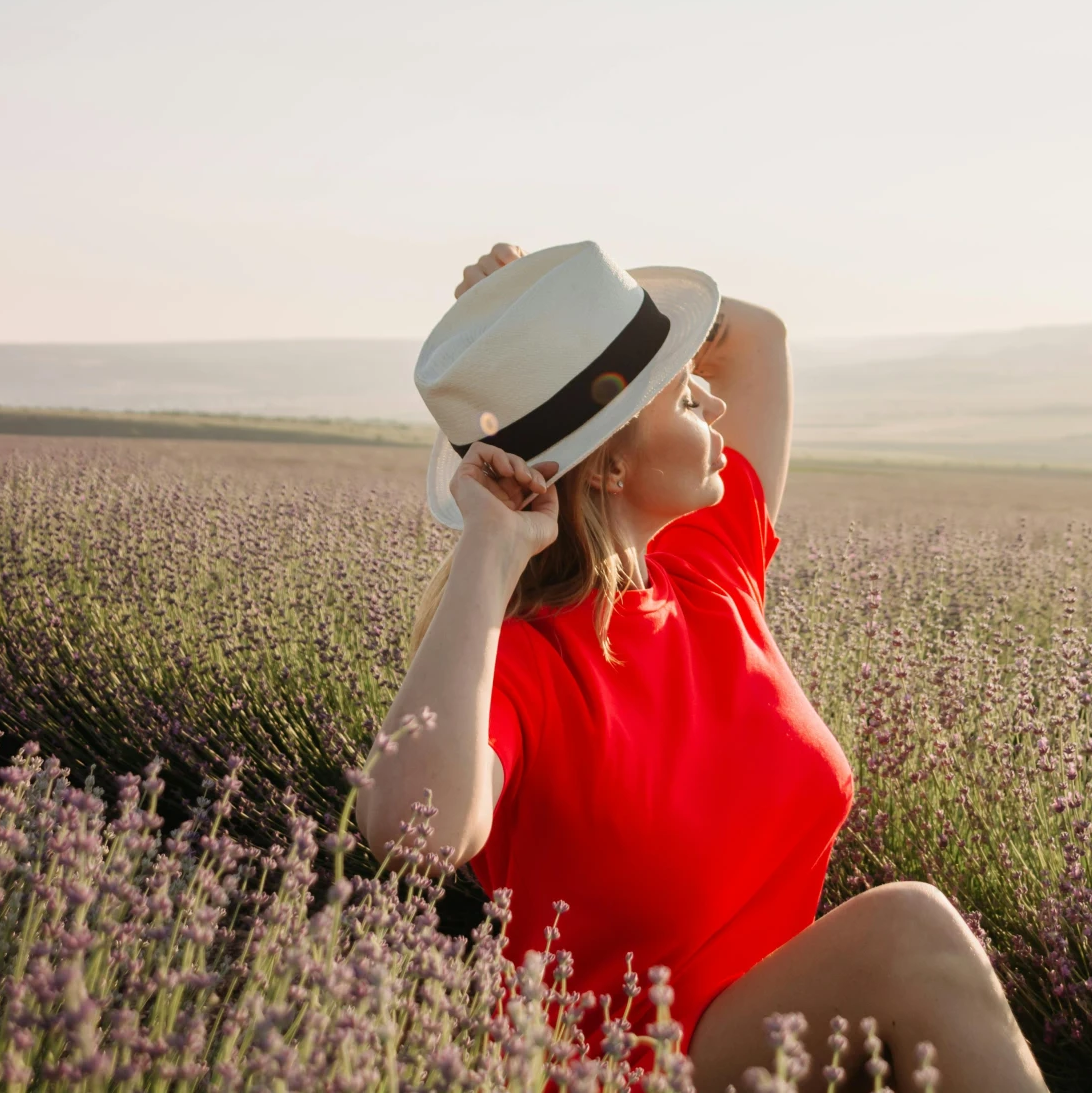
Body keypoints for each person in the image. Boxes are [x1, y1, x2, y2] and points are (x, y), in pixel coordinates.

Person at [360, 241, 1047, 1092]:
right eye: (685, 398)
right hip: (616, 1071)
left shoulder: (709, 569)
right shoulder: (526, 665)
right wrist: (489, 551)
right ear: (610, 461)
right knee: (910, 932)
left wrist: (562, 296)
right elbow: (412, 833)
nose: (714, 400)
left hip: (777, 1054)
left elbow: (757, 337)